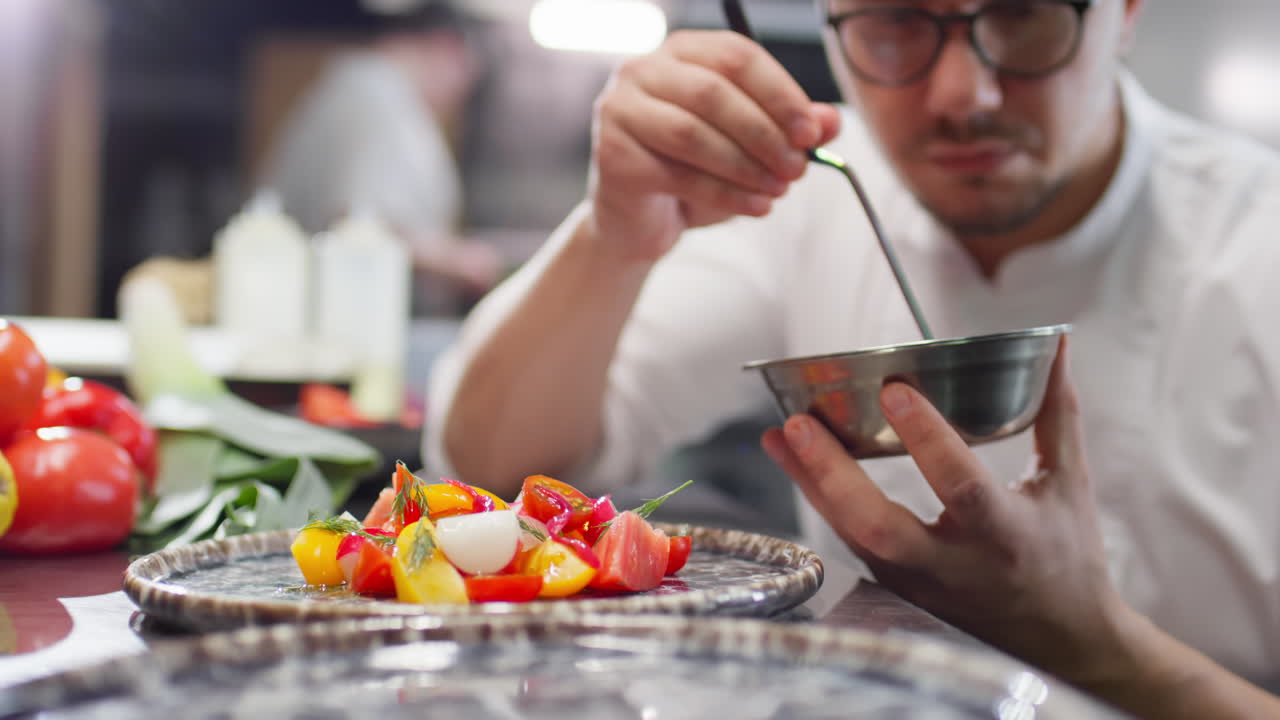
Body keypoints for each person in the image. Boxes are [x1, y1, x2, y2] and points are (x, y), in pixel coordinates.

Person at [424, 0, 1280, 715]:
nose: (963, 92)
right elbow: (491, 466)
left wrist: (1094, 646)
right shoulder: (807, 205)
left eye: (1022, 15)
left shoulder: (1257, 247)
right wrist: (614, 238)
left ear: (1126, 11)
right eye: (897, 22)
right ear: (834, 28)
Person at [263, 3, 503, 314]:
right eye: (466, 79)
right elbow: (356, 224)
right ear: (447, 48)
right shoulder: (374, 93)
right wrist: (457, 260)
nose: (460, 96)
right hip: (334, 320)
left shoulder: (384, 95)